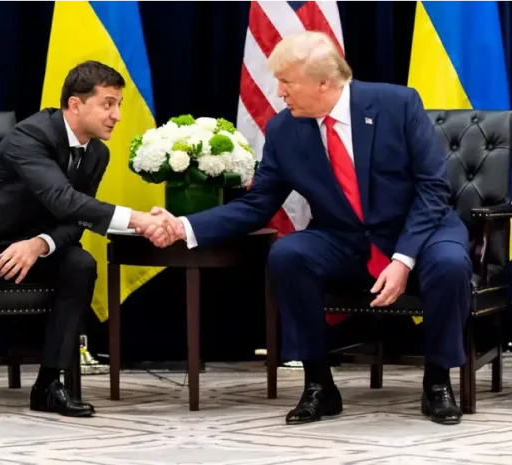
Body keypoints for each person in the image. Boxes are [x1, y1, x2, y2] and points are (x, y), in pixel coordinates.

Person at [141, 31, 471, 426]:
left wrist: (403, 258)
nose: (279, 92)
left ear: (324, 83)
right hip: (344, 239)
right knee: (288, 254)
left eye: (287, 82)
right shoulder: (284, 129)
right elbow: (257, 205)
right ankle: (319, 384)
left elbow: (433, 188)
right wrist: (183, 225)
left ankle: (437, 381)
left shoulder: (397, 104)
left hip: (421, 230)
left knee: (449, 263)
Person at [0, 60, 172, 421]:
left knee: (81, 265)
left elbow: (77, 220)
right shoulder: (30, 135)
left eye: (118, 104)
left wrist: (39, 244)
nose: (117, 115)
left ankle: (49, 385)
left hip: (30, 242)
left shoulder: (97, 153)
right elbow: (63, 200)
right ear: (75, 104)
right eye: (108, 104)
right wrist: (139, 220)